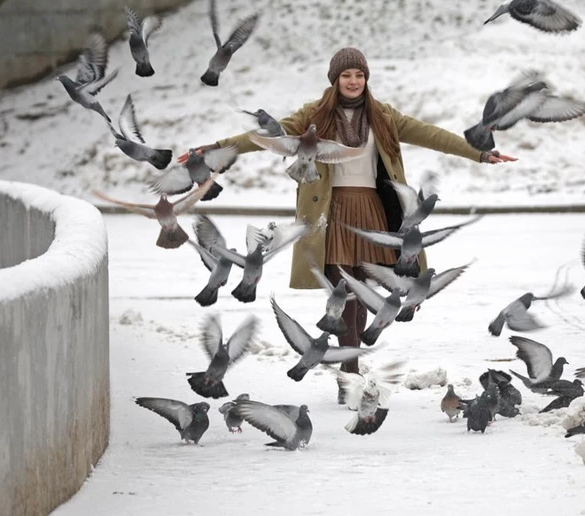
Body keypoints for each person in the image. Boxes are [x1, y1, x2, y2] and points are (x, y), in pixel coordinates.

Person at [188, 47, 515, 402]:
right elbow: (262, 139)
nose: (354, 81)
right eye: (347, 75)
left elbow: (432, 136)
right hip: (330, 211)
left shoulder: (383, 116)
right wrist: (215, 149)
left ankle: (349, 373)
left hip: (373, 210)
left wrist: (479, 153)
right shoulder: (312, 116)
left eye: (359, 75)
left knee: (362, 290)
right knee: (342, 291)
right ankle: (351, 374)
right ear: (335, 79)